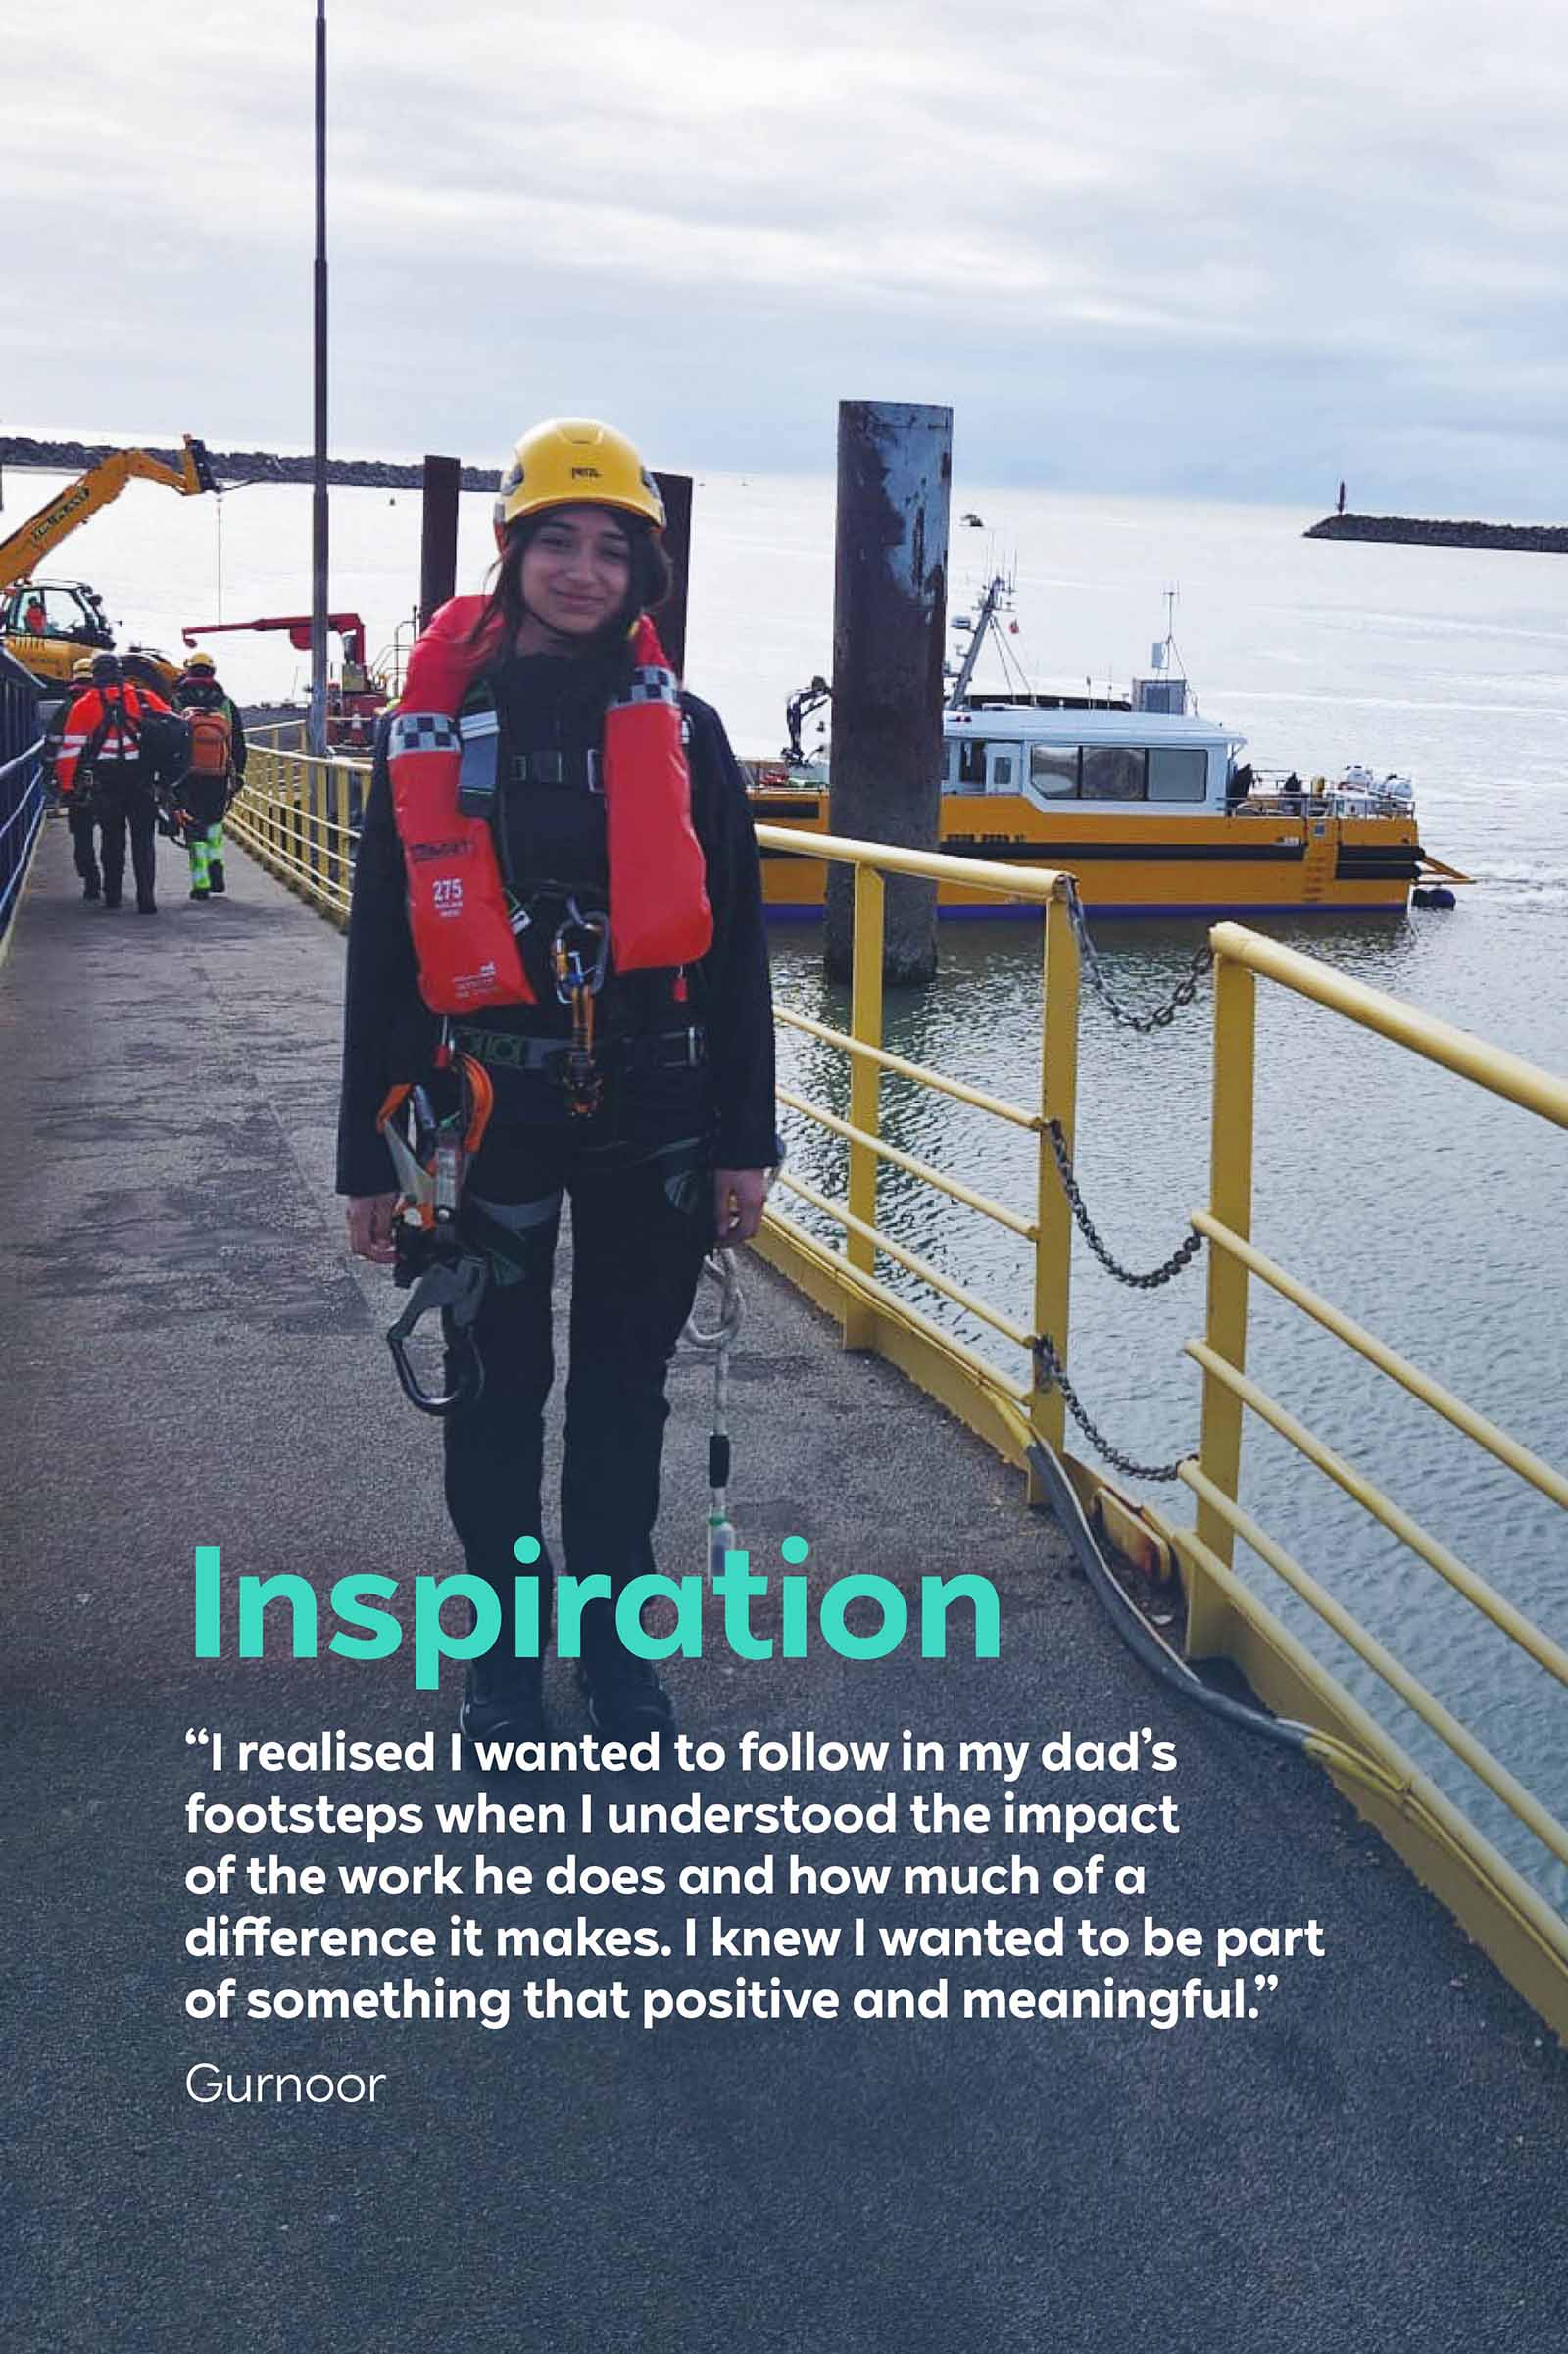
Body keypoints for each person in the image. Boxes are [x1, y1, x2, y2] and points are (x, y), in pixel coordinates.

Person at [337, 417, 778, 1747]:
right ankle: (505, 1653)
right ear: (514, 551)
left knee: (620, 1404)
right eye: (558, 543)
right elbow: (385, 950)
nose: (584, 571)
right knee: (493, 1391)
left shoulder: (685, 733)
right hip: (482, 1116)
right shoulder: (431, 733)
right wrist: (371, 1156)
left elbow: (741, 947)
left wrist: (742, 1140)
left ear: (643, 575)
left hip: (654, 1105)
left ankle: (618, 1649)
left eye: (612, 549)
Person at [53, 652, 172, 913]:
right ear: (119, 672)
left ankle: (113, 895)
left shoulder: (83, 705)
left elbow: (69, 752)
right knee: (144, 841)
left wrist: (66, 786)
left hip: (106, 783)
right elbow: (172, 728)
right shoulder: (143, 698)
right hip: (142, 781)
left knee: (111, 839)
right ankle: (146, 899)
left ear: (95, 674)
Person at [171, 648, 247, 899]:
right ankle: (217, 867)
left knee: (193, 825)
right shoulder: (225, 702)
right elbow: (237, 742)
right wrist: (239, 774)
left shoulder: (177, 701)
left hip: (187, 774)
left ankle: (200, 882)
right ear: (212, 672)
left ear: (189, 670)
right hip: (219, 772)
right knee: (215, 821)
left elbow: (170, 738)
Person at [44, 659, 105, 900]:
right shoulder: (106, 704)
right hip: (106, 778)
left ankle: (90, 877)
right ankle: (113, 880)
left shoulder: (65, 708)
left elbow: (53, 746)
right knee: (112, 831)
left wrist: (52, 777)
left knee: (82, 833)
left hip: (76, 781)